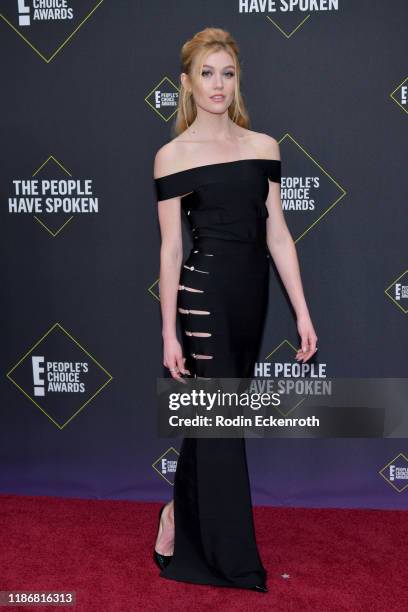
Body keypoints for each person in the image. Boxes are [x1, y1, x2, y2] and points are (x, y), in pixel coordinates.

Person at [152, 27, 318, 592]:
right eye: (207, 73)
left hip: (253, 297)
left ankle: (175, 516)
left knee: (215, 419)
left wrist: (302, 311)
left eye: (227, 73)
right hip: (203, 297)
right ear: (187, 83)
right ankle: (230, 560)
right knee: (220, 421)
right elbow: (172, 247)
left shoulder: (264, 147)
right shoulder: (171, 156)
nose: (217, 84)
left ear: (236, 80)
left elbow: (279, 237)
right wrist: (169, 331)